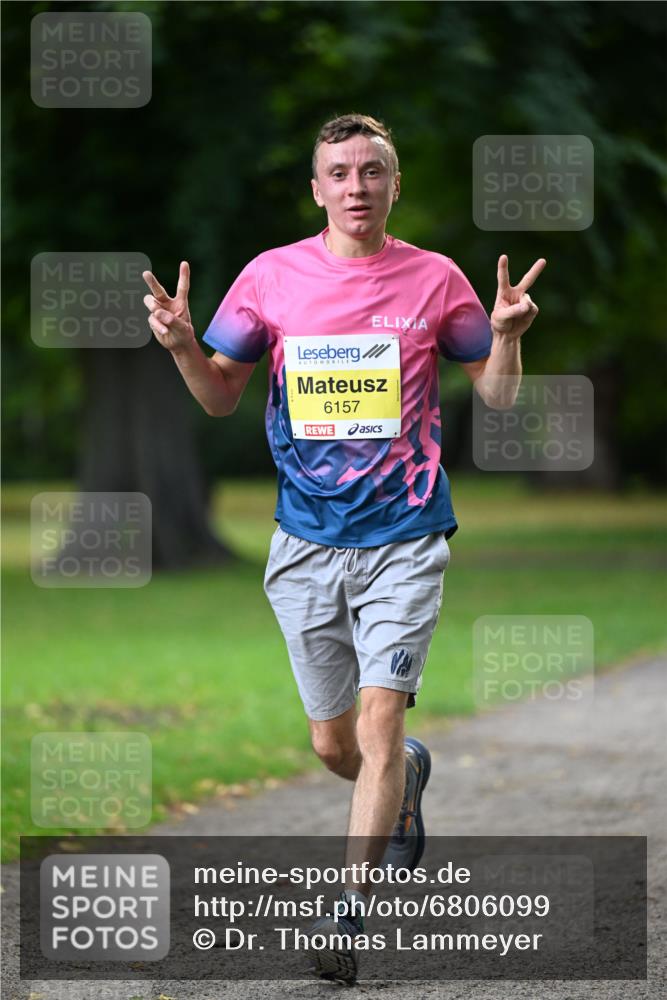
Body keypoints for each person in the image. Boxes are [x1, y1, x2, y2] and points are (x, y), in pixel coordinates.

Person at [143, 113, 545, 985]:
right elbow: (218, 398)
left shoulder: (437, 279)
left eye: (372, 170)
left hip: (405, 534)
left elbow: (501, 401)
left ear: (394, 185)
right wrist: (182, 345)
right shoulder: (269, 277)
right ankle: (401, 783)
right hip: (305, 541)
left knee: (377, 717)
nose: (356, 185)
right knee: (334, 746)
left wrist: (507, 338)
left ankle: (346, 911)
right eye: (339, 172)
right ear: (317, 187)